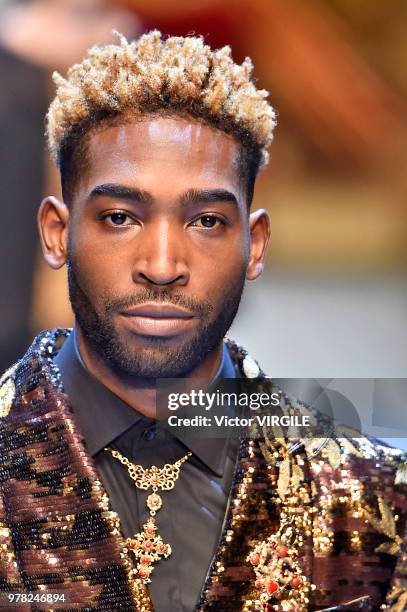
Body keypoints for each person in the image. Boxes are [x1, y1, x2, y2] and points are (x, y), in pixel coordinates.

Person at [0, 31, 405, 612]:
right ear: (57, 233)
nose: (162, 267)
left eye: (207, 222)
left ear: (256, 243)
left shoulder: (369, 502)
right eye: (119, 217)